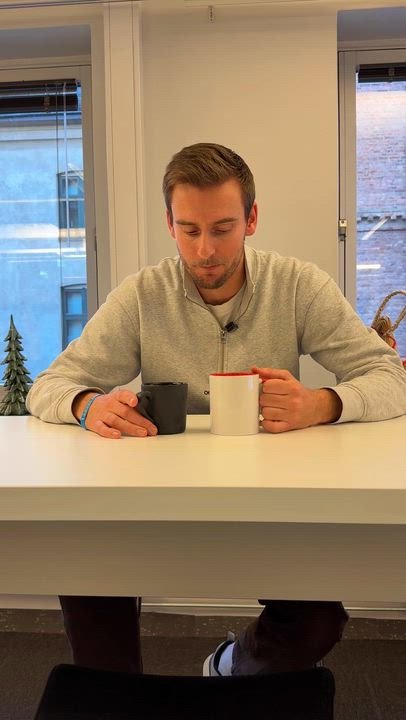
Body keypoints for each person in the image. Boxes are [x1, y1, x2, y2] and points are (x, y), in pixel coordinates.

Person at [26, 142, 406, 677]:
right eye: (189, 230)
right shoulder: (143, 295)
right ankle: (120, 700)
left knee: (318, 621)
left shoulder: (297, 285)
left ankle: (229, 666)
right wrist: (87, 405)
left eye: (223, 228)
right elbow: (50, 384)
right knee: (89, 579)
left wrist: (323, 403)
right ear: (170, 224)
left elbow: (390, 376)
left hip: (272, 500)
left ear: (251, 219)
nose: (205, 250)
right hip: (154, 502)